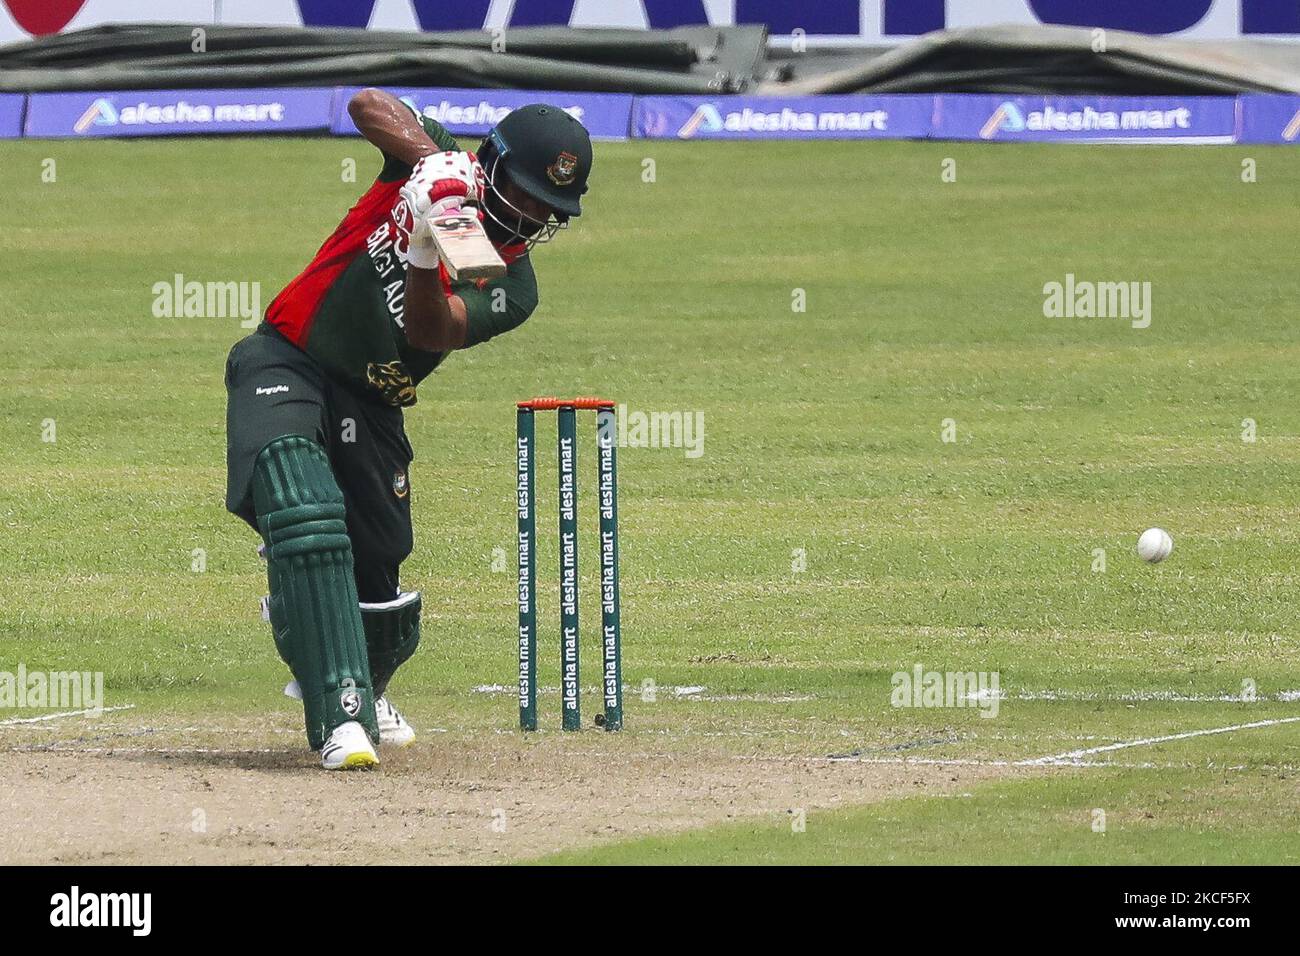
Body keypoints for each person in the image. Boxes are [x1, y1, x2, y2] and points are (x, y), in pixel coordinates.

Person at [223, 89, 593, 769]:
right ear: (495, 166)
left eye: (550, 210)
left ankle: (362, 678)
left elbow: (432, 330)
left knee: (381, 577)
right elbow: (367, 103)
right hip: (289, 355)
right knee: (305, 507)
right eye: (529, 194)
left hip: (374, 401)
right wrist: (430, 169)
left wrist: (428, 248)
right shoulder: (436, 162)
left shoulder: (510, 280)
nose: (534, 215)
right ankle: (339, 712)